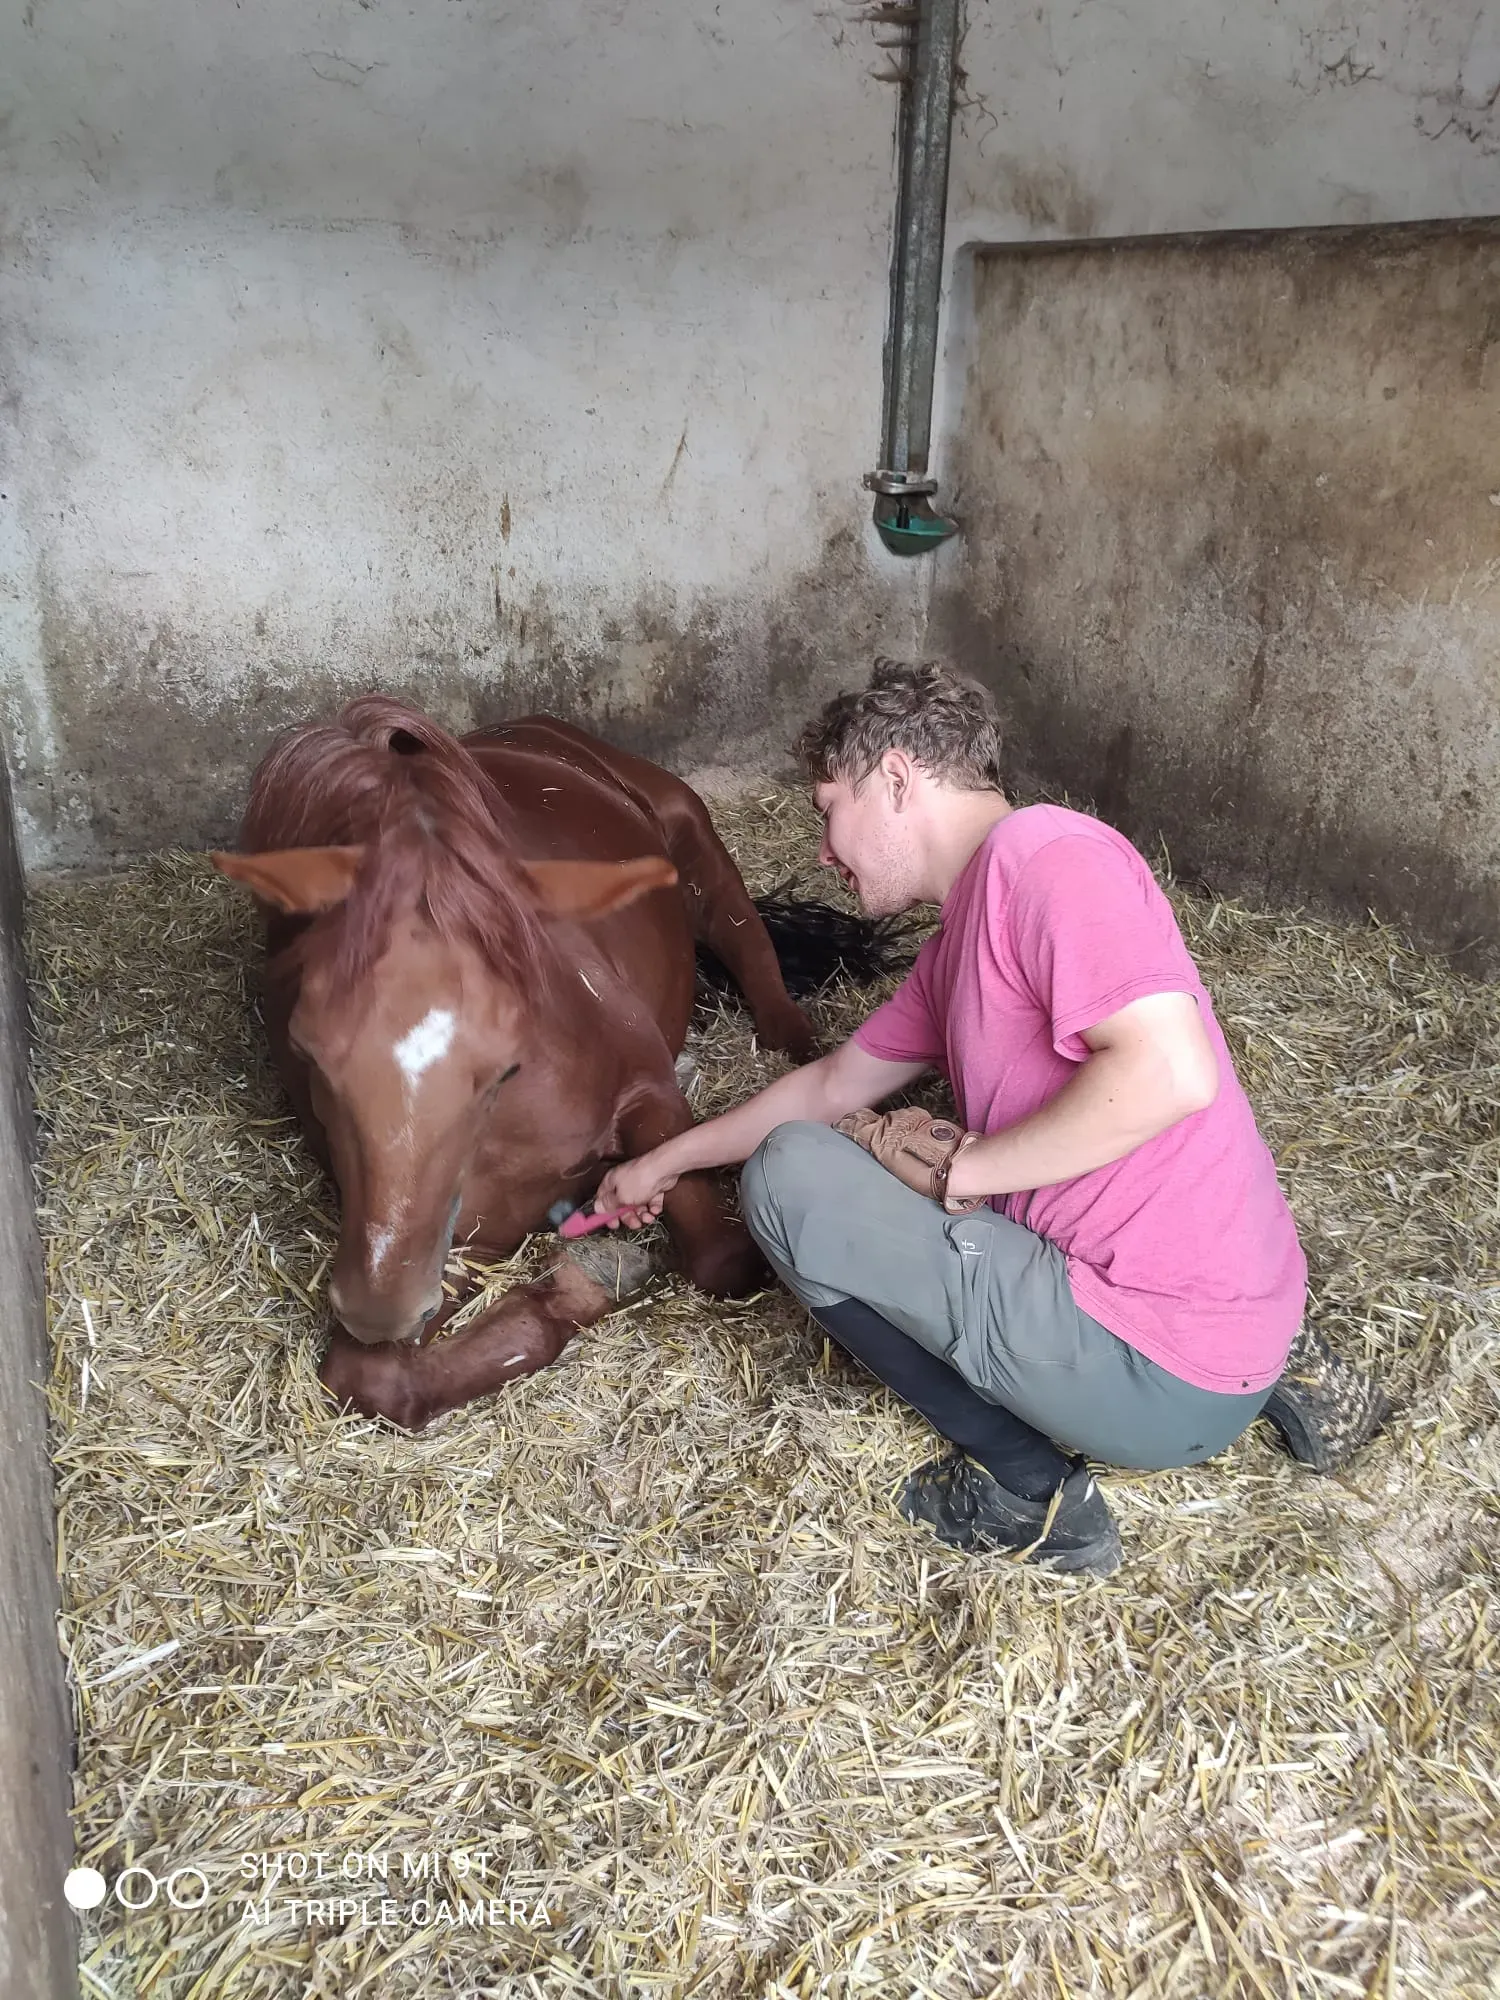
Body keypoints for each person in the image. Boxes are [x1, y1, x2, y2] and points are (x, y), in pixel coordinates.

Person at [593, 661, 1387, 1575]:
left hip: (1153, 1369)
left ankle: (1028, 1492)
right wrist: (665, 1163)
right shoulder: (966, 931)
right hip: (1230, 1324)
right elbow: (828, 1086)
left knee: (786, 1181)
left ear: (895, 779)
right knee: (822, 1145)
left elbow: (1171, 1071)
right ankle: (1289, 1363)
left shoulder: (1048, 856)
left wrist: (959, 1171)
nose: (821, 850)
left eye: (825, 809)